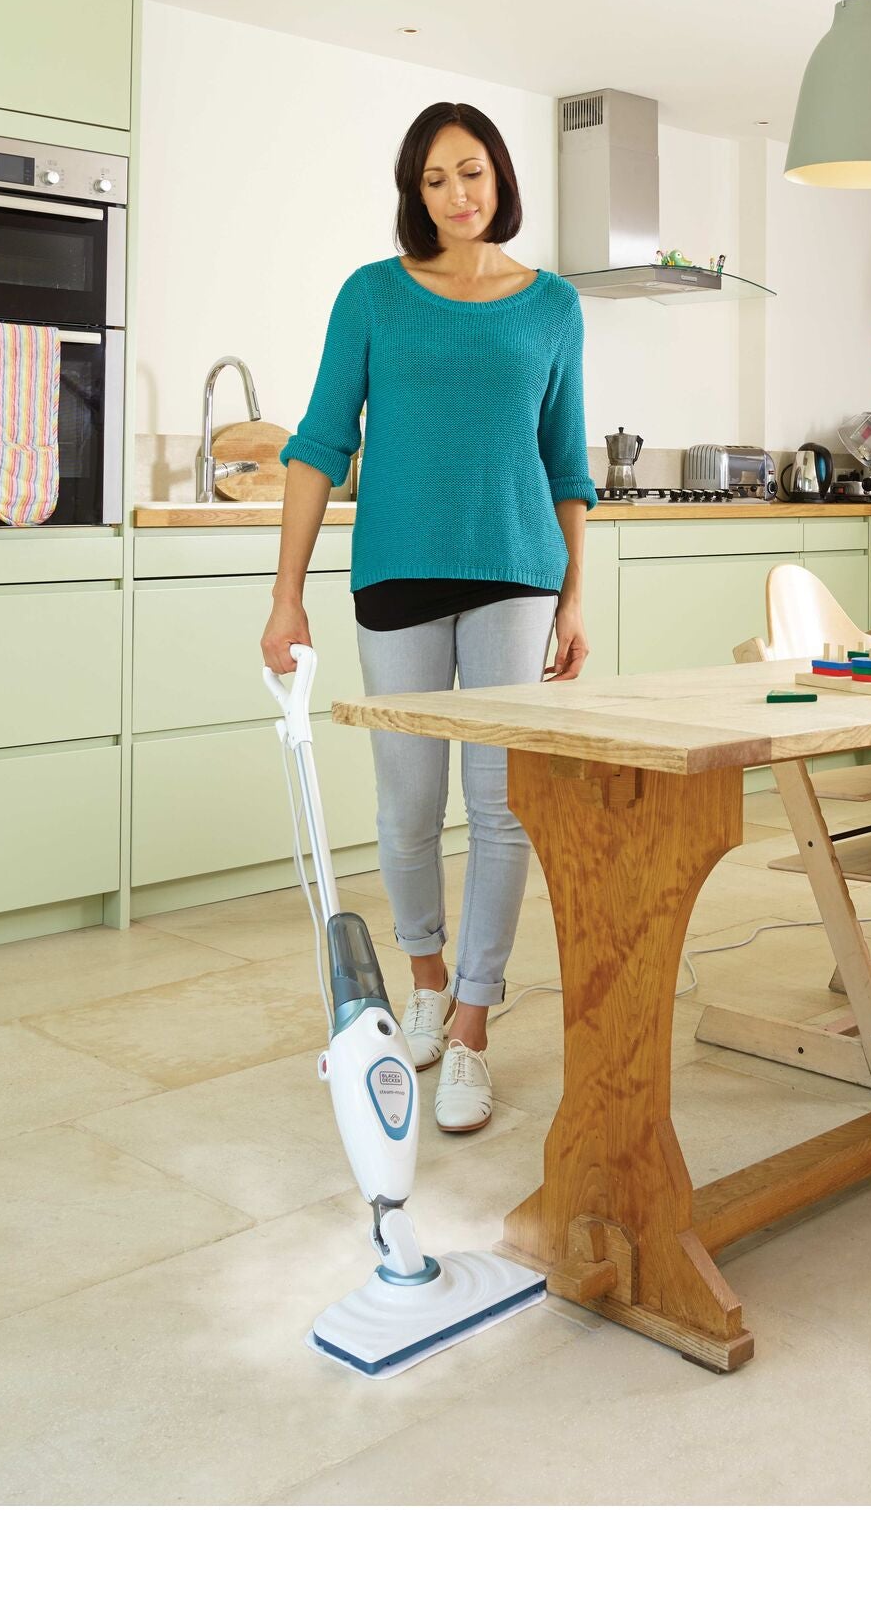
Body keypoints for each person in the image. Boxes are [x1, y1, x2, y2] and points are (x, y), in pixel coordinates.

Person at [262, 101, 594, 1133]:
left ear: (500, 180)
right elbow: (319, 442)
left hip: (514, 570)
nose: (460, 193)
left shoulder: (552, 305)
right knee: (408, 806)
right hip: (397, 567)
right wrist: (285, 593)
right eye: (439, 178)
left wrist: (575, 593)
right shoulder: (371, 296)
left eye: (475, 173)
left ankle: (474, 1031)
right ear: (414, 191)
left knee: (501, 809)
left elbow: (566, 461)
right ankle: (424, 979)